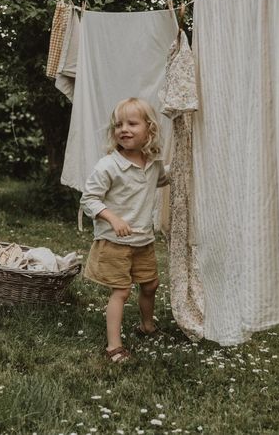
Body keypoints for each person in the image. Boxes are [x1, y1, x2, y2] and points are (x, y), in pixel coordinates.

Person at [80, 97, 169, 363]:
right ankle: (114, 347)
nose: (124, 129)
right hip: (114, 242)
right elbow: (89, 199)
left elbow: (163, 177)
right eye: (118, 125)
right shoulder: (108, 165)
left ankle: (146, 326)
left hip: (143, 240)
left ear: (149, 130)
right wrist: (113, 219)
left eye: (132, 123)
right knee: (120, 291)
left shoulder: (152, 163)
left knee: (151, 284)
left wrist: (187, 167)